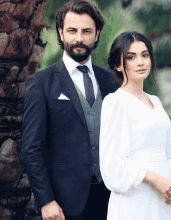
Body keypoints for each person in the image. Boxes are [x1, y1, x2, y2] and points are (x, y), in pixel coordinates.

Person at [21, 0, 120, 220]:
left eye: (86, 31)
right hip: (64, 204)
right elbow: (31, 149)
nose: (78, 38)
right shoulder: (41, 83)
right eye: (72, 30)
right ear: (61, 33)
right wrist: (46, 201)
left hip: (111, 199)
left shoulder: (111, 81)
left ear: (97, 34)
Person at [99, 31, 171, 220]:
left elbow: (168, 153)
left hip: (162, 201)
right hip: (133, 201)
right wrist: (154, 179)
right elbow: (112, 166)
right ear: (118, 65)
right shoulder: (116, 102)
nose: (140, 62)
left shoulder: (156, 102)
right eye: (131, 57)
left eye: (145, 55)